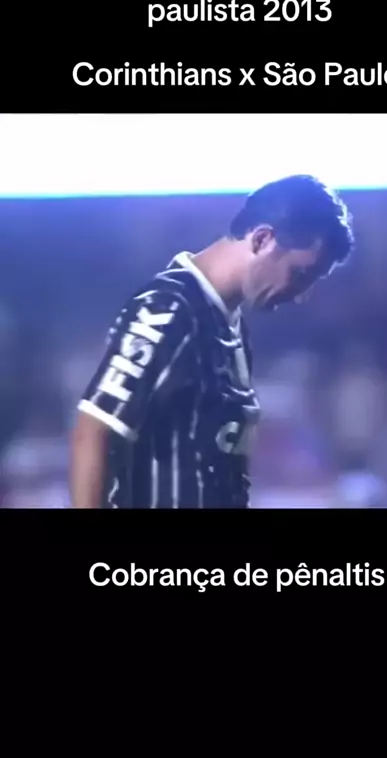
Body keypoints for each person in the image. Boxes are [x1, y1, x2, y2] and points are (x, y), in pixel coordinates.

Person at [70, 175, 354, 509]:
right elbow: (96, 427)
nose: (302, 295)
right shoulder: (170, 308)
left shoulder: (229, 325)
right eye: (300, 274)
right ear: (262, 239)